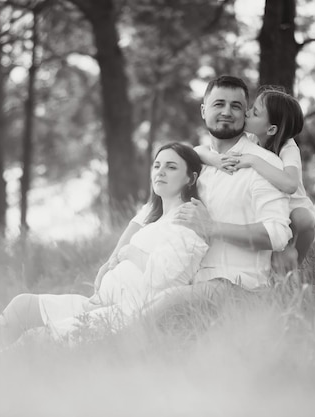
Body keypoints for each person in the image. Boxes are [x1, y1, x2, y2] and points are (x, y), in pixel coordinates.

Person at [0, 143, 208, 365]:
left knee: (34, 340)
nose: (160, 172)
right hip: (99, 305)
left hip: (124, 316)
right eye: (157, 165)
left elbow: (166, 277)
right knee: (23, 306)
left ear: (191, 178)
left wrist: (130, 253)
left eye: (171, 166)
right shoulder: (156, 219)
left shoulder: (188, 221)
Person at [96, 75, 292, 294]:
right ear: (203, 111)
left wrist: (213, 228)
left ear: (245, 114)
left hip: (238, 283)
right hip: (183, 283)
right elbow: (147, 213)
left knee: (158, 307)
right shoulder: (192, 160)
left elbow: (277, 235)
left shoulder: (264, 164)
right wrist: (113, 259)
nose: (226, 112)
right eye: (218, 104)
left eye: (236, 106)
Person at [194, 86, 315, 271]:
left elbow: (290, 184)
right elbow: (197, 151)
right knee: (271, 253)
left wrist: (253, 161)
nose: (246, 113)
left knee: (302, 219)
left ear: (271, 129)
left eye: (254, 113)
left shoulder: (288, 147)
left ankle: (296, 265)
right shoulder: (252, 139)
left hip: (297, 217)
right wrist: (216, 160)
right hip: (276, 212)